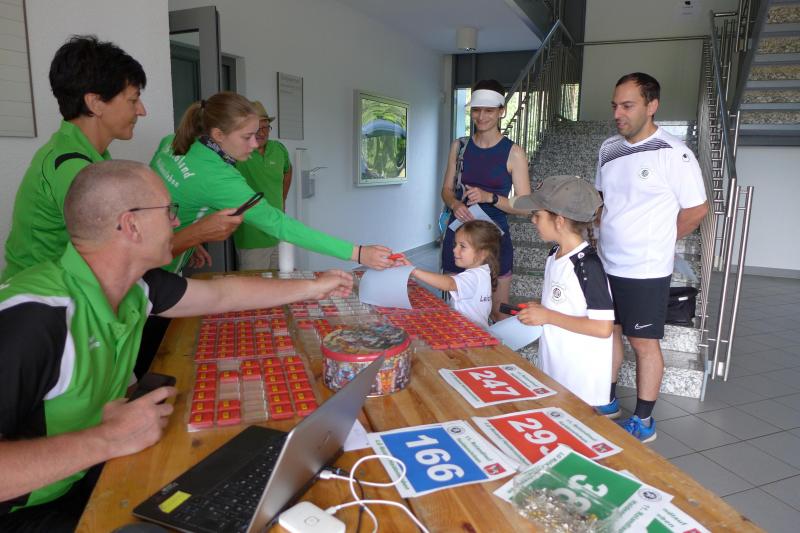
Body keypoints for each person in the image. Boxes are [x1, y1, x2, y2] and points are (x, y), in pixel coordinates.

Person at [0, 160, 353, 530]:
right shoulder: (34, 320)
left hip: (76, 475)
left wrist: (314, 287)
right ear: (131, 225)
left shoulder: (136, 285)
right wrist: (107, 439)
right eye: (169, 211)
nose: (176, 222)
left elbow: (222, 295)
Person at [1, 35, 241, 283]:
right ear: (95, 103)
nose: (141, 110)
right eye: (133, 100)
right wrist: (196, 233)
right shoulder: (73, 168)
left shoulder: (85, 154)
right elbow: (123, 257)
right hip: (45, 298)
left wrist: (180, 240)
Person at [151, 91, 394, 273]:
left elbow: (167, 196)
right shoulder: (219, 178)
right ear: (218, 135)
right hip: (158, 268)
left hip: (145, 250)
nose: (254, 143)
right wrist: (358, 253)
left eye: (259, 132)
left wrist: (188, 238)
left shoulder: (172, 141)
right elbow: (279, 224)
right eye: (247, 137)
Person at [593, 73, 709, 443]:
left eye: (627, 106)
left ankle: (643, 420)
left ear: (652, 106)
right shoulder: (609, 149)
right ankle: (607, 399)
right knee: (608, 333)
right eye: (615, 105)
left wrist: (660, 240)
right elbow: (602, 200)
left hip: (644, 270)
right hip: (606, 262)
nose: (618, 113)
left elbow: (697, 210)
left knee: (643, 343)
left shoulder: (674, 153)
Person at [512, 176, 614, 408]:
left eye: (537, 215)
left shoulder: (587, 265)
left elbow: (603, 327)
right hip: (556, 366)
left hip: (579, 378)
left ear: (559, 221)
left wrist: (548, 316)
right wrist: (541, 309)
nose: (533, 220)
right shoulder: (554, 254)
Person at [440, 79, 530, 322]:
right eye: (476, 110)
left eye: (489, 111)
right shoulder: (459, 146)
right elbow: (446, 190)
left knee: (497, 311)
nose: (481, 117)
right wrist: (455, 204)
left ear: (501, 111)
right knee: (455, 311)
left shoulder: (514, 152)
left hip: (493, 241)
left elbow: (525, 206)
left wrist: (490, 197)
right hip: (459, 238)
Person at [396, 220, 500, 329]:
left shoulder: (474, 277)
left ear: (482, 253)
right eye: (455, 244)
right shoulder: (483, 272)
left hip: (468, 332)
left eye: (462, 246)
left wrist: (414, 271)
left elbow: (449, 283)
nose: (454, 250)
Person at [233, 100, 293, 270]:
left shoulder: (279, 149)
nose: (262, 132)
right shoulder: (238, 152)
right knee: (255, 283)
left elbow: (288, 170)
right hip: (252, 236)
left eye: (266, 127)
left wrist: (282, 199)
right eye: (257, 128)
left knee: (280, 280)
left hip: (277, 230)